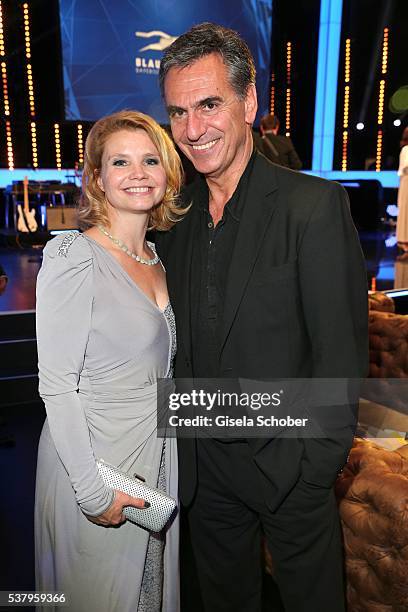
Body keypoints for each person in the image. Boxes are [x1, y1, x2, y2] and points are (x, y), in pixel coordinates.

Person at [156, 22, 368, 612]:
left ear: (250, 101)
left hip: (289, 466)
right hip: (204, 469)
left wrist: (312, 469)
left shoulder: (312, 206)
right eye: (178, 113)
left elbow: (340, 352)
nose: (192, 131)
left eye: (208, 105)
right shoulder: (172, 216)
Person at [35, 110, 187, 612]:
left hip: (155, 462)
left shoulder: (159, 260)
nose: (137, 173)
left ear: (167, 173)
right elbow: (57, 387)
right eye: (120, 162)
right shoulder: (73, 257)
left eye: (150, 160)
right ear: (97, 177)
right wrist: (93, 492)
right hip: (95, 467)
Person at [396, 126, 408, 257]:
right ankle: (404, 239)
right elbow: (405, 166)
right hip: (407, 181)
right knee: (405, 210)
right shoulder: (406, 149)